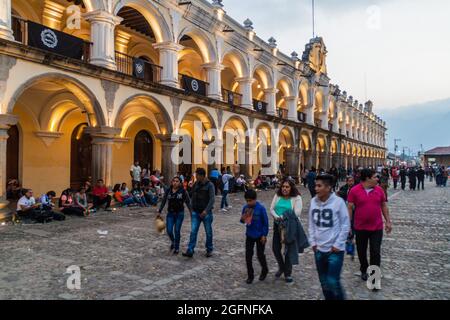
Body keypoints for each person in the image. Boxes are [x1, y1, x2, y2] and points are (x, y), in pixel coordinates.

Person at [347, 169, 392, 285]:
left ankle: (374, 278)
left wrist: (388, 221)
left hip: (376, 227)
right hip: (360, 227)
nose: (377, 179)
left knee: (375, 252)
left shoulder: (379, 190)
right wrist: (348, 225)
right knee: (361, 251)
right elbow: (350, 208)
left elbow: (383, 205)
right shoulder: (354, 190)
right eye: (375, 177)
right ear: (367, 178)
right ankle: (363, 269)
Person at [309, 174, 350, 300]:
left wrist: (338, 244)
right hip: (319, 249)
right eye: (316, 185)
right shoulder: (313, 202)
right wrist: (313, 242)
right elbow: (311, 223)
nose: (316, 188)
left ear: (328, 187)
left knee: (333, 281)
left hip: (334, 250)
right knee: (324, 282)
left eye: (319, 186)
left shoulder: (338, 202)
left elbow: (345, 224)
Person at [269, 179, 303, 283]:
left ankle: (288, 273)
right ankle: (281, 266)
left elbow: (296, 212)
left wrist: (282, 216)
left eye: (287, 187)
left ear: (291, 188)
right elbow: (271, 209)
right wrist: (276, 217)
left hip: (290, 226)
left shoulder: (297, 198)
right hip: (277, 225)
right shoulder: (277, 195)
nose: (284, 188)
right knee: (275, 248)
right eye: (283, 186)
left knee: (288, 250)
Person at [183, 168, 216, 258]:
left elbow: (212, 199)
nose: (196, 177)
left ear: (202, 176)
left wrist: (206, 211)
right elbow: (191, 195)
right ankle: (190, 250)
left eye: (197, 175)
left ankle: (209, 249)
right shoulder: (196, 184)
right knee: (193, 232)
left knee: (208, 232)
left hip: (206, 213)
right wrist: (191, 208)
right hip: (196, 212)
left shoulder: (210, 185)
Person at [240, 189, 269, 284]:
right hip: (249, 235)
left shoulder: (261, 208)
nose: (248, 202)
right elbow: (243, 221)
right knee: (248, 256)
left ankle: (264, 269)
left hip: (260, 235)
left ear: (255, 199)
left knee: (260, 255)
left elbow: (265, 223)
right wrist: (243, 218)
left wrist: (264, 235)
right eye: (247, 201)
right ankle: (250, 275)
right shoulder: (245, 208)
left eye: (250, 201)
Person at [158, 176, 192, 255]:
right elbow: (163, 201)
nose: (175, 182)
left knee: (177, 230)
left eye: (177, 181)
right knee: (169, 230)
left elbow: (188, 202)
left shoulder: (183, 191)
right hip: (170, 214)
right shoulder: (168, 190)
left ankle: (176, 247)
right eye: (174, 181)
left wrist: (191, 212)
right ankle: (173, 241)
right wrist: (160, 210)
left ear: (180, 183)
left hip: (179, 213)